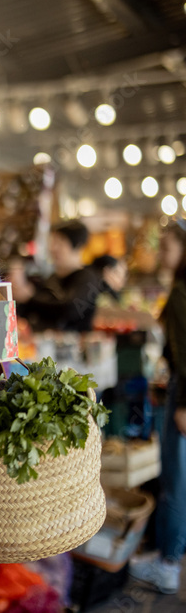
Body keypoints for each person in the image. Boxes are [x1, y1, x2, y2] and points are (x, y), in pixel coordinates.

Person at [130, 221, 186, 594]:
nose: (161, 255)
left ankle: (169, 563)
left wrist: (182, 404)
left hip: (183, 397)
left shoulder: (182, 293)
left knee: (175, 483)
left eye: (167, 248)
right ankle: (170, 554)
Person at [10, 221, 103, 332]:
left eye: (60, 242)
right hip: (45, 345)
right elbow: (34, 311)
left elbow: (69, 310)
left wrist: (29, 298)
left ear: (78, 245)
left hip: (75, 347)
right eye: (53, 242)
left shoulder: (87, 278)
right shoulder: (52, 277)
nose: (53, 248)